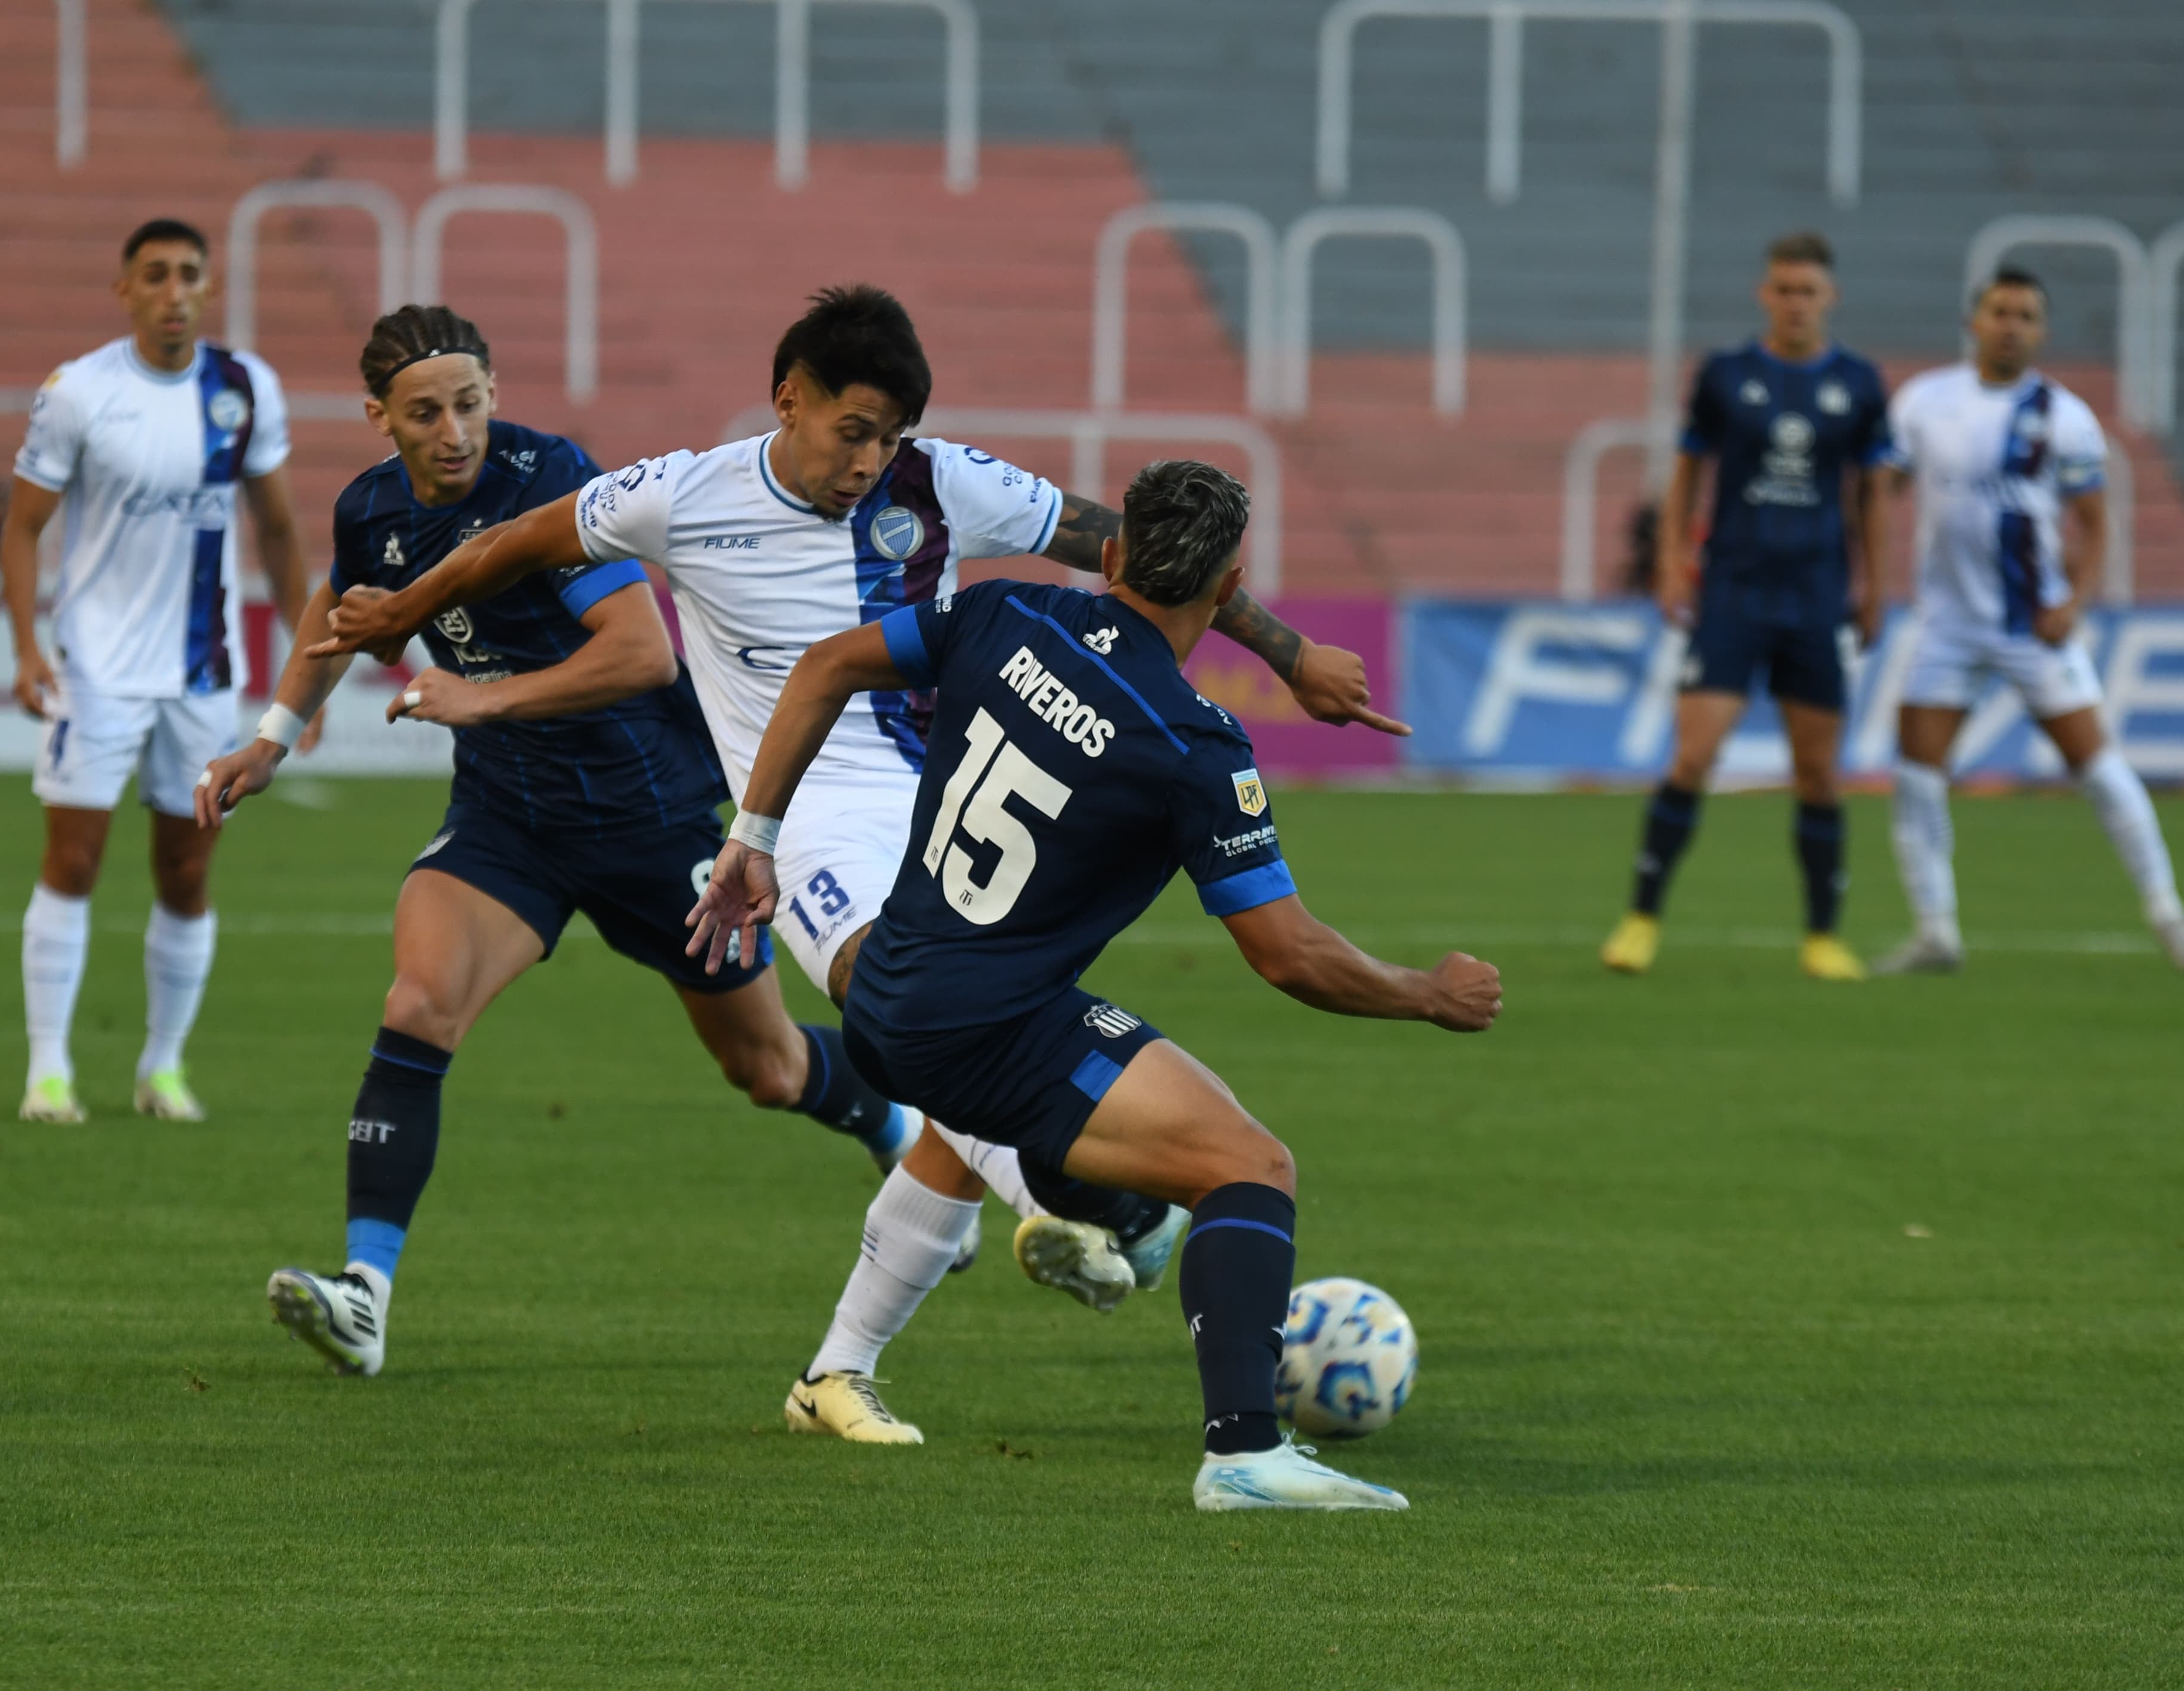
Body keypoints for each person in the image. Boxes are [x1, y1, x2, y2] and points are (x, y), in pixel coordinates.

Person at [309, 284, 1409, 1441]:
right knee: (925, 1022)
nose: (871, 461)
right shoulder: (681, 492)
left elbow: (1133, 553)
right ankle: (1079, 1206)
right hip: (807, 826)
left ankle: (864, 1352)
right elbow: (520, 539)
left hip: (947, 808)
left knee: (950, 1052)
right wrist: (408, 611)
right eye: (854, 431)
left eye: (889, 437)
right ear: (790, 399)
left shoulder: (941, 483)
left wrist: (1286, 656)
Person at [686, 459, 1501, 1509]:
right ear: (1226, 586)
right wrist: (1427, 992)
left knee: (992, 1126)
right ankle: (1244, 1450)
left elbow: (825, 665)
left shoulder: (1000, 612)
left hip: (888, 990)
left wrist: (752, 836)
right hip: (988, 1024)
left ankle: (1041, 1253)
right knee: (1251, 1166)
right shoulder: (1194, 744)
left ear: (1111, 555)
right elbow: (1288, 953)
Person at [196, 306, 933, 1379]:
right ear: (379, 418)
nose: (454, 431)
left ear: (495, 391)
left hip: (654, 817)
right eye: (425, 413)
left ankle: (897, 1128)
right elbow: (348, 608)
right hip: (511, 822)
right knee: (419, 1002)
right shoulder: (373, 507)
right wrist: (273, 733)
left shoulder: (553, 480)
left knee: (768, 1067)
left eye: (470, 403)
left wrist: (485, 698)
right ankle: (365, 1293)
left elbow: (640, 654)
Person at [1, 218, 315, 1124]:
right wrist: (27, 646)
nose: (173, 290)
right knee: (74, 857)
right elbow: (21, 527)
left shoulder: (244, 388)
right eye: (155, 275)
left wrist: (305, 664)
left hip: (203, 675)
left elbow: (282, 530)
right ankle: (48, 1071)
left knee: (187, 870)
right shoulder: (79, 392)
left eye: (188, 274)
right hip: (95, 669)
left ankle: (163, 1069)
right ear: (125, 290)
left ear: (208, 288)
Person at [1876, 268, 2184, 975]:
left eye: (2024, 315)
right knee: (1916, 774)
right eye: (1998, 311)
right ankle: (1935, 930)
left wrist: (2075, 600)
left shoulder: (2063, 417)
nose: (2009, 325)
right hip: (1945, 625)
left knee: (2098, 767)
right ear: (1973, 321)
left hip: (2032, 624)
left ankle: (2167, 913)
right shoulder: (1922, 402)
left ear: (2040, 331)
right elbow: (1879, 490)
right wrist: (1868, 568)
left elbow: (2094, 523)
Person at [1599, 230, 1892, 982]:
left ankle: (1821, 936)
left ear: (1830, 298)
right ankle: (1640, 918)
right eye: (1784, 289)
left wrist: (1875, 586)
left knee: (1819, 773)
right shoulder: (1726, 375)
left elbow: (1869, 497)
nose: (1795, 303)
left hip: (1816, 598)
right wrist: (1671, 566)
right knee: (1693, 756)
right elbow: (1687, 476)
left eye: (1809, 291)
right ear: (1765, 294)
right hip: (1731, 593)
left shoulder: (1858, 383)